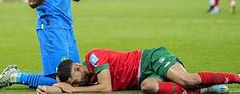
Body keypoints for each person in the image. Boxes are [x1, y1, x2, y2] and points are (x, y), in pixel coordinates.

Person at [35, 46, 237, 94]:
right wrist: (52, 88)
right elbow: (62, 86)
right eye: (74, 84)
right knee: (148, 88)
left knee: (188, 80)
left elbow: (106, 87)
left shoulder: (93, 57)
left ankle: (237, 77)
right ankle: (204, 91)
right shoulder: (85, 79)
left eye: (75, 79)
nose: (77, 83)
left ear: (78, 68)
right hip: (146, 76)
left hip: (151, 59)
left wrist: (73, 90)